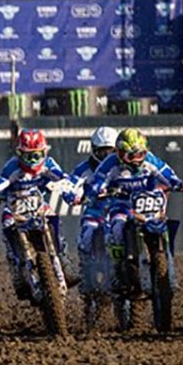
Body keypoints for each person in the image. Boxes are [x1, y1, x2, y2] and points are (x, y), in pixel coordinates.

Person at [0, 129, 81, 301]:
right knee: (7, 222)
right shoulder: (12, 167)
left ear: (44, 152)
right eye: (28, 156)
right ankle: (17, 269)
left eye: (36, 156)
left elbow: (63, 179)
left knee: (52, 216)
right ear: (19, 154)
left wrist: (70, 194)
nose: (32, 161)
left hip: (38, 205)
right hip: (14, 206)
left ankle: (63, 259)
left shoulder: (49, 164)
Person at [89, 128, 183, 284]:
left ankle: (169, 276)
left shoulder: (150, 160)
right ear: (120, 153)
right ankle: (117, 268)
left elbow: (166, 174)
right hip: (122, 204)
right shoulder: (111, 163)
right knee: (117, 227)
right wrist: (99, 189)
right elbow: (98, 180)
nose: (136, 160)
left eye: (140, 154)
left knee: (162, 226)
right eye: (131, 156)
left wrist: (179, 184)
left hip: (147, 202)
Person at [66, 127, 117, 326]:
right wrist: (72, 195)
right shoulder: (84, 168)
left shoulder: (123, 165)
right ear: (94, 150)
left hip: (118, 210)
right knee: (86, 238)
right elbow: (70, 184)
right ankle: (87, 282)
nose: (106, 156)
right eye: (102, 151)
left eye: (110, 151)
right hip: (95, 212)